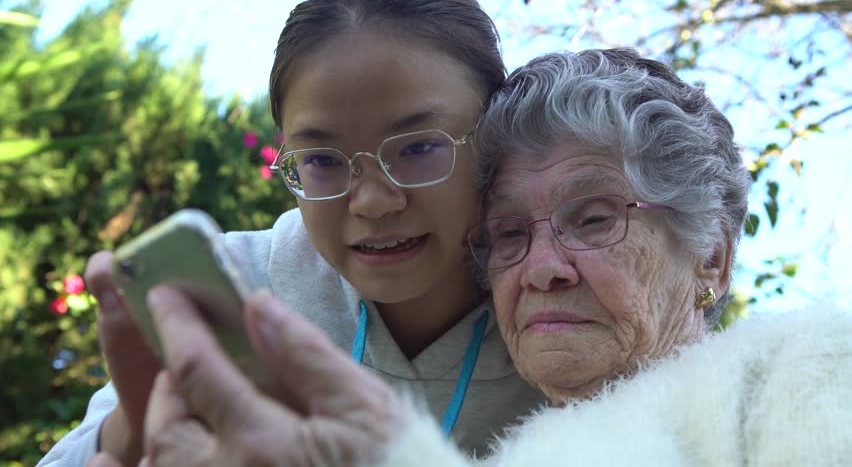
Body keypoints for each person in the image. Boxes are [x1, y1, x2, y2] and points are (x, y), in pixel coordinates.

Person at [105, 48, 851, 467]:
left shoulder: (804, 369)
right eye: (510, 236)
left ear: (712, 256)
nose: (542, 268)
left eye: (592, 219)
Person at [37, 0, 547, 466]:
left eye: (417, 148)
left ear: (495, 133)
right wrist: (140, 422)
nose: (371, 201)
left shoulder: (559, 301)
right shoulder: (234, 284)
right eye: (322, 159)